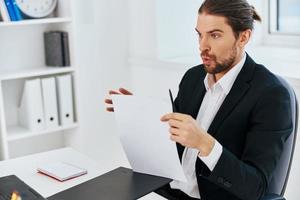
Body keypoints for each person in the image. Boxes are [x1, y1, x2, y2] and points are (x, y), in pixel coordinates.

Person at [104, 0, 292, 199]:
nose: (203, 46)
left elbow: (256, 188)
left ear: (243, 37)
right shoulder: (192, 78)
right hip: (169, 191)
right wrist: (140, 114)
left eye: (215, 35)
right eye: (199, 34)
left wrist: (206, 145)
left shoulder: (271, 95)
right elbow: (173, 143)